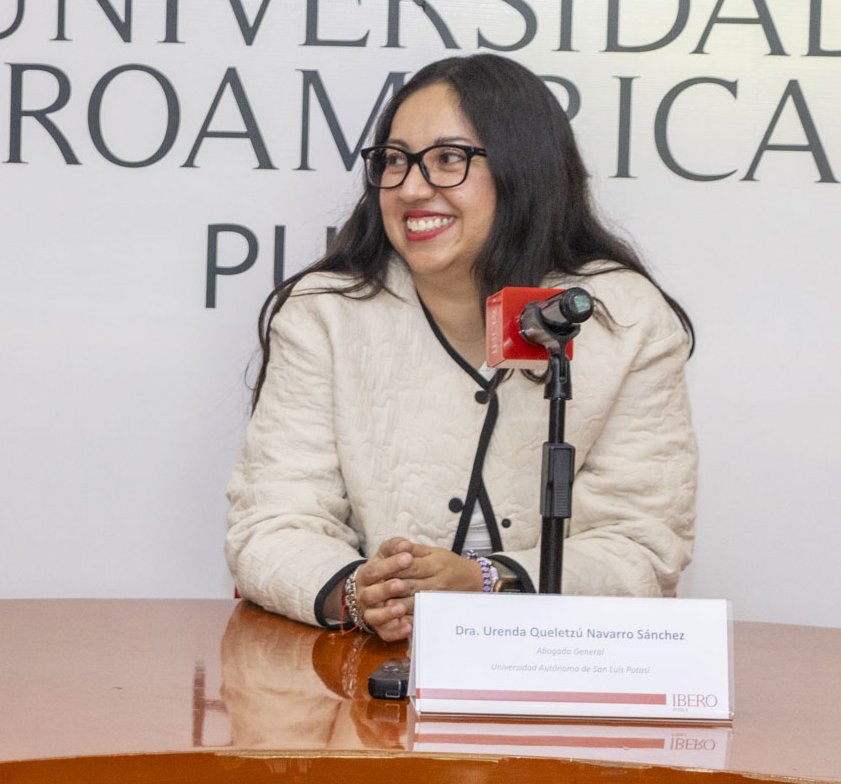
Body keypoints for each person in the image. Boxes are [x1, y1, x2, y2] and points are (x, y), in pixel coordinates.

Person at [225, 53, 696, 642]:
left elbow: (641, 545)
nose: (411, 187)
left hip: (552, 670)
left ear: (525, 169)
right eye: (394, 161)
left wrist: (485, 581)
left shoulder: (624, 318)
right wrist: (362, 590)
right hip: (366, 670)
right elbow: (270, 526)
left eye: (449, 159)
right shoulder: (325, 313)